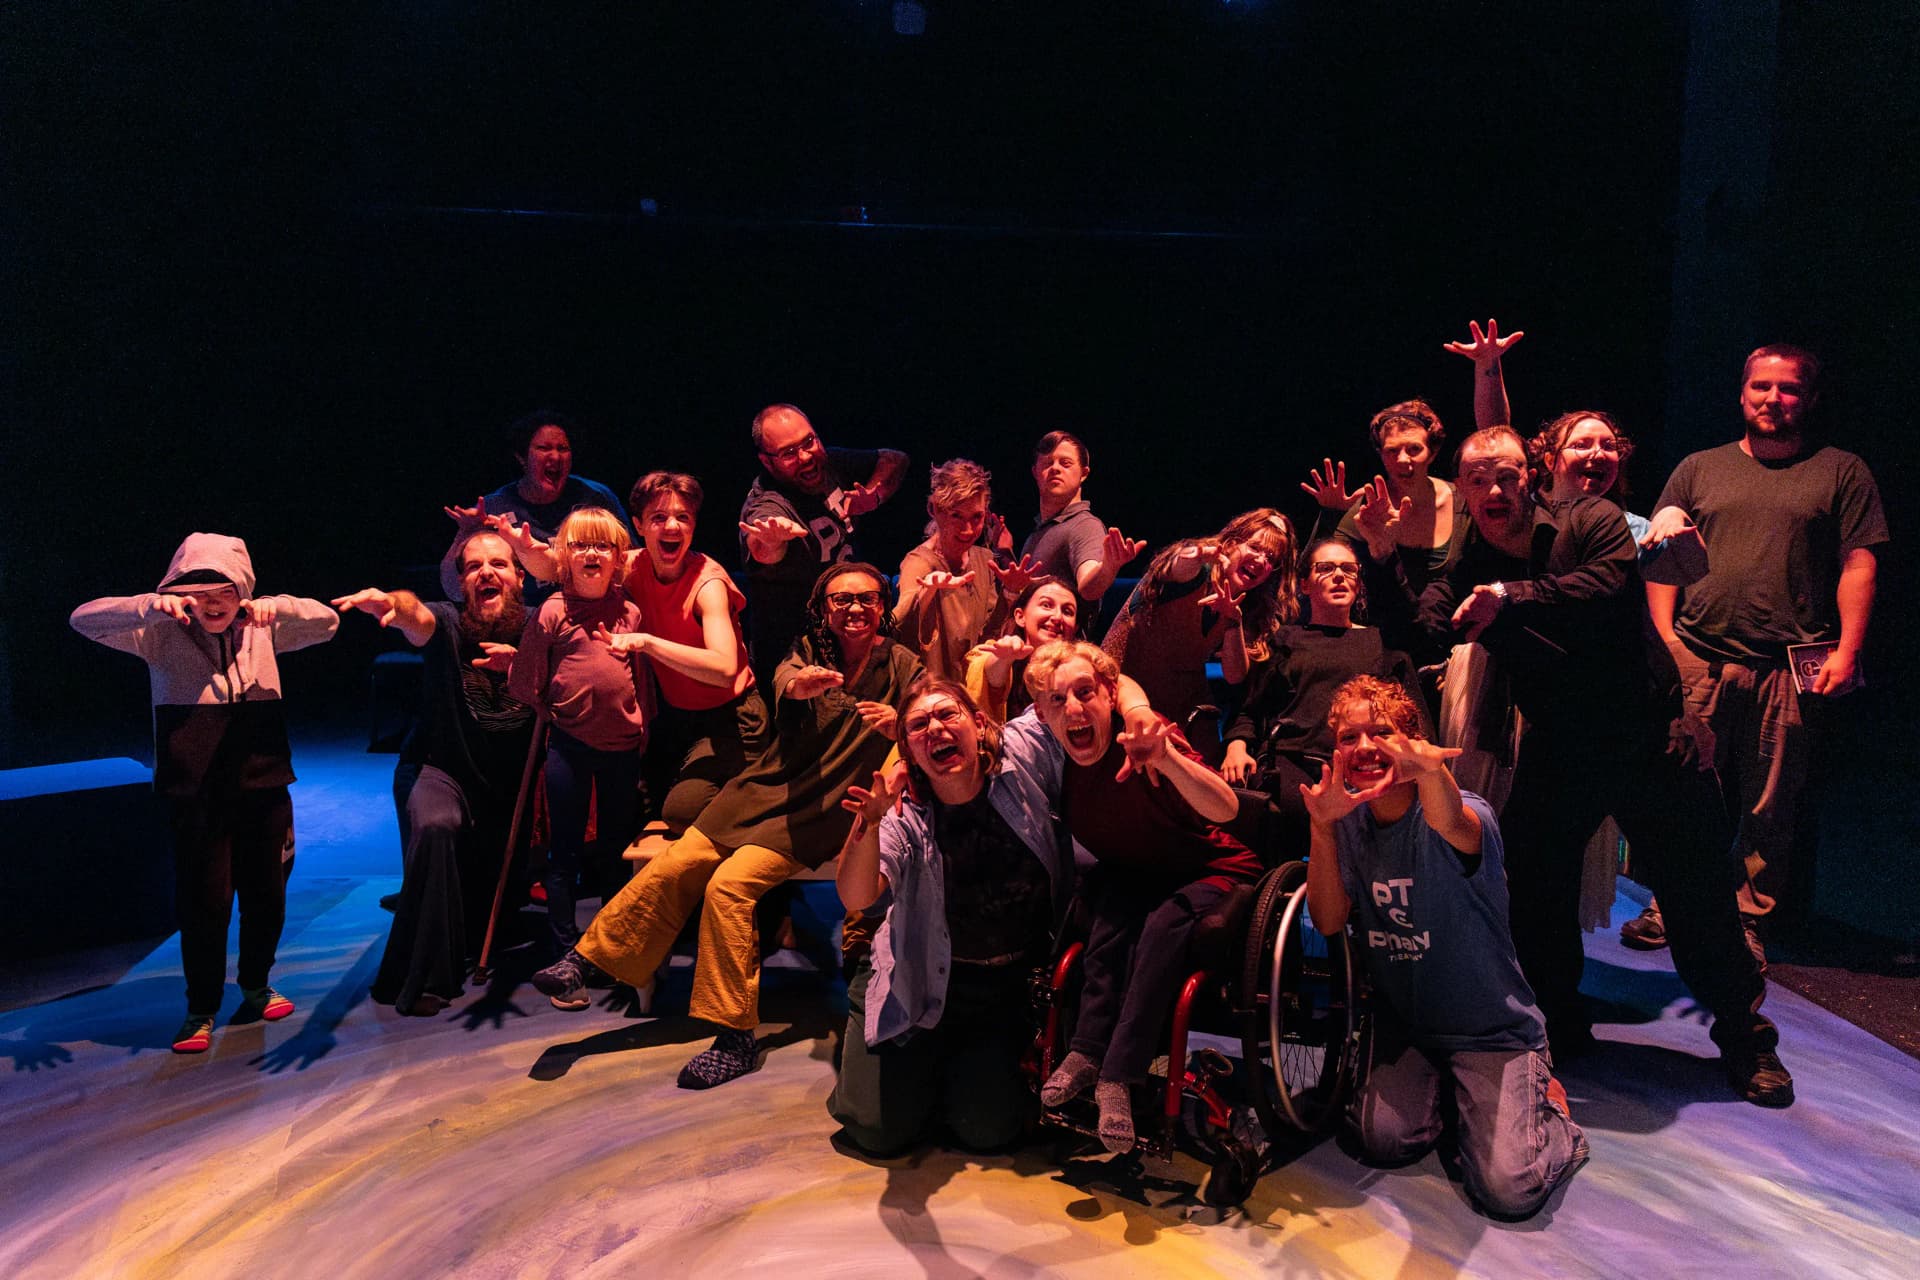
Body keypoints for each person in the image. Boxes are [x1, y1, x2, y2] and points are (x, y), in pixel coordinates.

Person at [1358, 426, 1792, 1105]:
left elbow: (1610, 582)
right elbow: (1422, 626)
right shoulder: (1469, 557)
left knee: (1696, 893)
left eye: (1506, 475)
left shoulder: (1587, 519)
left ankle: (1743, 1032)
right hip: (1562, 748)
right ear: (1465, 493)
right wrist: (1383, 558)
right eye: (1478, 479)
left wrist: (1512, 597)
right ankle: (1560, 1021)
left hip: (1645, 739)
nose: (1494, 489)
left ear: (1529, 478)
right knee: (1533, 888)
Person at [533, 563, 923, 1089]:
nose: (853, 608)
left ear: (882, 605)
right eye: (840, 599)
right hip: (766, 790)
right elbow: (787, 680)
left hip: (826, 811)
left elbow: (930, 716)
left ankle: (735, 1034)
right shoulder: (807, 650)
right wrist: (799, 686)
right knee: (683, 858)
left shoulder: (903, 666)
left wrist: (903, 724)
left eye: (865, 598)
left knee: (730, 886)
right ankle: (588, 959)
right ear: (823, 609)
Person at [1628, 345, 1888, 949]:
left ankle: (1745, 919)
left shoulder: (1841, 471)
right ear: (1742, 394)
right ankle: (1672, 906)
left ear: (1811, 398)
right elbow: (1661, 558)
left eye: (1789, 388)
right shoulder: (1699, 468)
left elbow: (1860, 562)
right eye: (1761, 387)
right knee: (1686, 794)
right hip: (1701, 657)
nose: (1773, 398)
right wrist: (1668, 642)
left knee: (1771, 805)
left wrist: (1848, 651)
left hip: (1786, 667)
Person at [1302, 675, 1587, 1221]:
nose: (1363, 748)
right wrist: (1321, 827)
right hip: (1411, 1030)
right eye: (1348, 738)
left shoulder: (1469, 810)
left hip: (1492, 1032)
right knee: (1378, 1140)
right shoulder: (1349, 824)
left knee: (1510, 1188)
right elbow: (1329, 920)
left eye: (1380, 733)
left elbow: (1448, 819)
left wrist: (1432, 771)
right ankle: (1464, 1105)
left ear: (1411, 742)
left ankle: (1548, 1107)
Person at [71, 533, 339, 1053]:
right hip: (195, 795)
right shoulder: (158, 634)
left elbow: (327, 622)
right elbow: (83, 618)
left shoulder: (264, 629)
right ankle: (201, 1007)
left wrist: (271, 608)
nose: (214, 602)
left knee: (267, 896)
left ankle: (257, 985)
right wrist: (151, 606)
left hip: (264, 786)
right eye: (200, 591)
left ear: (242, 591)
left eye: (226, 590)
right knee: (204, 903)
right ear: (180, 591)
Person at [1029, 641, 1257, 1153]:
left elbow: (1224, 808)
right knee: (1107, 912)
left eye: (1085, 692)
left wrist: (1169, 759)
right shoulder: (1050, 758)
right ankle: (1085, 1052)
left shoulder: (1147, 738)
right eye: (1057, 699)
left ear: (1110, 695)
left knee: (1161, 924)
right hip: (1137, 870)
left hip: (1210, 868)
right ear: (1042, 714)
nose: (1073, 708)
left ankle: (1119, 1076)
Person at [828, 681, 1072, 1156]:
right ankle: (910, 1066)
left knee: (988, 1133)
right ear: (909, 753)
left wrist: (1139, 710)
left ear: (979, 723)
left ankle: (944, 1077)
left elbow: (1088, 680)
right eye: (918, 725)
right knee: (876, 1132)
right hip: (918, 979)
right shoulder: (904, 812)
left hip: (1002, 989)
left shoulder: (1021, 755)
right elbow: (856, 895)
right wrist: (870, 824)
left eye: (947, 714)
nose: (935, 728)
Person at [500, 471, 772, 851]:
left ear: (694, 526)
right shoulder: (635, 565)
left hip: (732, 718)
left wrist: (646, 641)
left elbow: (725, 669)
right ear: (640, 526)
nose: (671, 526)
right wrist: (524, 549)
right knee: (644, 810)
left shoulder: (708, 583)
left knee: (680, 813)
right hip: (676, 720)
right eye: (659, 518)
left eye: (683, 517)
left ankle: (761, 816)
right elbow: (565, 568)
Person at [333, 532, 539, 1016]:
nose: (485, 572)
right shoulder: (447, 623)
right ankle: (422, 975)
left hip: (505, 784)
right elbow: (414, 614)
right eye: (472, 567)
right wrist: (392, 603)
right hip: (440, 769)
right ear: (461, 583)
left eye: (498, 564)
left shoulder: (539, 628)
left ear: (520, 577)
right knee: (435, 825)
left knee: (494, 915)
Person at [481, 509, 655, 955]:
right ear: (564, 557)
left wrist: (643, 733)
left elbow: (642, 682)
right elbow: (526, 682)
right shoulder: (551, 612)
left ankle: (610, 949)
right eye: (580, 545)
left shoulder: (630, 612)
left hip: (621, 749)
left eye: (603, 545)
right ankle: (564, 952)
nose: (592, 553)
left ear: (619, 557)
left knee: (617, 851)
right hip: (569, 747)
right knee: (565, 853)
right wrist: (555, 711)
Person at [1221, 537, 1426, 851]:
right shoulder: (1283, 639)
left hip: (1363, 765)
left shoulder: (1383, 644)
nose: (1339, 576)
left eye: (1348, 569)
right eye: (1326, 568)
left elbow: (1417, 725)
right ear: (1305, 585)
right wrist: (1237, 746)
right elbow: (1251, 707)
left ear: (1359, 584)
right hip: (1291, 763)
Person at [1101, 508, 1298, 763]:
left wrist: (1233, 620)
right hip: (1120, 698)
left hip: (1178, 709)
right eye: (1254, 547)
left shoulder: (1248, 606)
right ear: (1231, 543)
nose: (1261, 560)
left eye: (1271, 557)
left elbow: (1235, 674)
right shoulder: (1198, 571)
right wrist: (1197, 554)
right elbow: (1174, 568)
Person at [737, 403, 909, 687]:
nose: (805, 456)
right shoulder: (766, 502)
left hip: (849, 635)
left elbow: (895, 460)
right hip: (796, 657)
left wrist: (876, 495)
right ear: (767, 461)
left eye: (809, 441)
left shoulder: (830, 463)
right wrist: (771, 539)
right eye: (789, 453)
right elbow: (761, 544)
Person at [440, 410, 631, 604]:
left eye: (563, 448)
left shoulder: (596, 497)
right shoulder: (494, 508)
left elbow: (632, 563)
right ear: (522, 458)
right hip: (523, 621)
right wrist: (464, 534)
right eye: (544, 448)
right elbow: (454, 591)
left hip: (591, 613)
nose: (555, 457)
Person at [1301, 399, 1468, 611]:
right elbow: (1309, 579)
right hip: (1382, 632)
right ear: (1380, 453)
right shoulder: (1369, 505)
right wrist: (1331, 514)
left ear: (1432, 452)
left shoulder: (1461, 501)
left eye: (1414, 449)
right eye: (1392, 450)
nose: (1402, 459)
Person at [892, 458, 1017, 682]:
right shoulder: (919, 563)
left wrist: (1011, 592)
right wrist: (927, 592)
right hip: (932, 695)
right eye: (956, 515)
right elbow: (898, 624)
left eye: (977, 517)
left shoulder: (984, 560)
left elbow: (989, 636)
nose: (968, 530)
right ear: (934, 509)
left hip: (973, 693)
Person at [1018, 430, 1145, 636]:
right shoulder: (1041, 530)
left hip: (1062, 658)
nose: (1055, 469)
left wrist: (1108, 568)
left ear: (1084, 473)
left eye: (1065, 463)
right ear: (1035, 472)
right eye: (1047, 463)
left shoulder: (1084, 526)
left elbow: (1089, 588)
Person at [963, 580, 1081, 724]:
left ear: (1074, 629)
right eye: (1046, 605)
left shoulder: (1081, 668)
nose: (1057, 617)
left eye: (1067, 611)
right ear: (1020, 616)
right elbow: (991, 675)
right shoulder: (995, 651)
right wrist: (1004, 659)